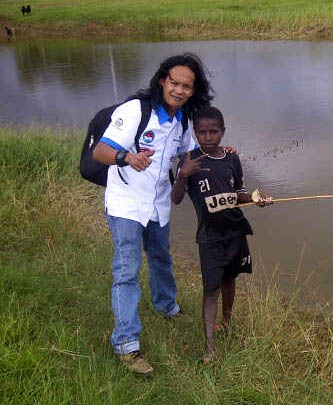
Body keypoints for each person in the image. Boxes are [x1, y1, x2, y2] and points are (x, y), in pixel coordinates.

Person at [93, 53, 219, 375]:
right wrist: (127, 157)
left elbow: (189, 152)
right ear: (162, 80)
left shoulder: (181, 120)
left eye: (186, 86)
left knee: (162, 258)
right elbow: (101, 151)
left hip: (158, 204)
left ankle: (167, 307)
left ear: (194, 91)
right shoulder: (135, 110)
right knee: (127, 271)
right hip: (127, 204)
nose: (178, 90)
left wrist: (221, 152)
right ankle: (126, 345)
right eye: (174, 82)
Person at [171, 105, 272, 364]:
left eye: (213, 132)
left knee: (230, 279)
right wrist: (183, 175)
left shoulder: (231, 158)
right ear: (195, 133)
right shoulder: (189, 160)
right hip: (209, 237)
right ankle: (209, 348)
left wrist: (257, 199)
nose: (208, 137)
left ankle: (227, 324)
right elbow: (177, 198)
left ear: (222, 132)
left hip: (235, 231)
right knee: (210, 288)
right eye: (202, 132)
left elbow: (240, 194)